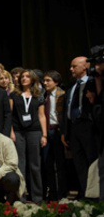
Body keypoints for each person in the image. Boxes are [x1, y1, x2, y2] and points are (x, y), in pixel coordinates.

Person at [62, 56, 98, 199]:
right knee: (79, 163)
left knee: (92, 162)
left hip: (89, 127)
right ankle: (85, 194)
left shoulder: (93, 83)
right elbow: (66, 111)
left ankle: (96, 195)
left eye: (74, 66)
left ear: (85, 66)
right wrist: (65, 132)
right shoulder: (72, 88)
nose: (71, 69)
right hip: (74, 129)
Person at [9, 69, 47, 204]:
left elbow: (42, 116)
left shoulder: (38, 95)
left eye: (27, 77)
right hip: (18, 132)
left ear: (32, 79)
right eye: (22, 77)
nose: (24, 78)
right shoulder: (14, 95)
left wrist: (44, 134)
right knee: (20, 164)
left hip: (35, 131)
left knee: (35, 164)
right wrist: (11, 132)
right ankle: (21, 196)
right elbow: (10, 115)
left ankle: (37, 196)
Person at [42, 70, 68, 200]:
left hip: (58, 131)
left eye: (48, 81)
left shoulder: (62, 95)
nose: (45, 83)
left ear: (56, 82)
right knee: (48, 163)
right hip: (46, 132)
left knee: (60, 163)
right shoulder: (43, 95)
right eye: (44, 80)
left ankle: (62, 192)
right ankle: (52, 193)